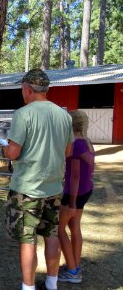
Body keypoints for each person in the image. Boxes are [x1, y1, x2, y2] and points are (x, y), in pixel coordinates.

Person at [3, 68, 74, 290]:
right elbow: (68, 151)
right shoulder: (64, 115)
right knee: (51, 234)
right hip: (53, 187)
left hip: (27, 188)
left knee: (28, 239)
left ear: (27, 89)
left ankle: (28, 286)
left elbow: (13, 153)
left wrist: (7, 148)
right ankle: (52, 283)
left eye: (22, 89)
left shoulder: (23, 114)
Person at [58, 110, 95, 284]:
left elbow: (74, 176)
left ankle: (72, 272)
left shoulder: (75, 145)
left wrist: (71, 202)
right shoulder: (87, 142)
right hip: (86, 190)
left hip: (75, 193)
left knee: (59, 230)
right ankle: (75, 265)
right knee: (75, 227)